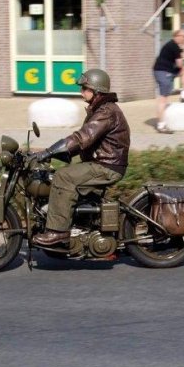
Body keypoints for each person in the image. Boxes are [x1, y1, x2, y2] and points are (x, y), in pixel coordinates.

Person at [31, 69, 130, 247]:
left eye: (85, 88)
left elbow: (81, 137)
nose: (81, 92)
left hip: (107, 166)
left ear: (96, 90)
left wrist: (48, 152)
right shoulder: (100, 109)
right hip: (101, 162)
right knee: (58, 174)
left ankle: (58, 232)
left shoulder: (106, 111)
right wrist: (54, 154)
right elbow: (84, 141)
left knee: (63, 177)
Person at [153, 29, 184, 134]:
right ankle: (161, 126)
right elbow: (179, 64)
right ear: (177, 36)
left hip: (167, 70)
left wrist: (181, 52)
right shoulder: (174, 46)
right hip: (163, 72)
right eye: (183, 36)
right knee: (163, 99)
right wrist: (182, 53)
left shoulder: (174, 46)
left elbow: (180, 65)